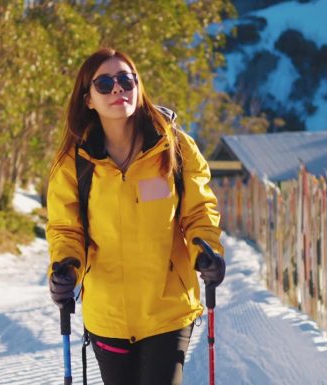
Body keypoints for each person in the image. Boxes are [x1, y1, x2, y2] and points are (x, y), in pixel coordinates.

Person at [46, 47, 225, 385]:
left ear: (138, 88)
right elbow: (66, 229)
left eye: (127, 80)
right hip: (107, 316)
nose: (118, 88)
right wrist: (65, 265)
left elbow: (200, 211)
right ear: (88, 99)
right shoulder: (75, 162)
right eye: (105, 83)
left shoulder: (175, 148)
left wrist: (206, 250)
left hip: (167, 309)